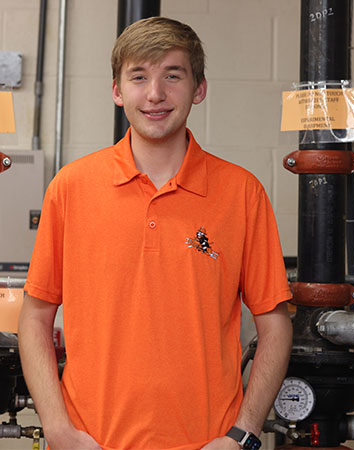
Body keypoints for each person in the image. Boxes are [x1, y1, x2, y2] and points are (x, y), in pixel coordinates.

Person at [18, 16, 293, 450]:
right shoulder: (71, 188)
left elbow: (275, 325)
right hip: (92, 443)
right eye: (139, 76)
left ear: (199, 88)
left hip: (206, 443)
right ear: (116, 90)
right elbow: (35, 318)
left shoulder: (242, 193)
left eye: (172, 75)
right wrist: (56, 428)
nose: (155, 94)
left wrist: (243, 434)